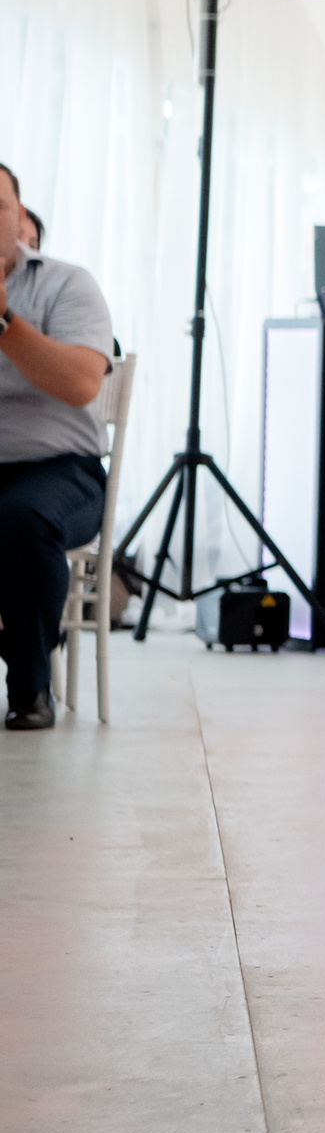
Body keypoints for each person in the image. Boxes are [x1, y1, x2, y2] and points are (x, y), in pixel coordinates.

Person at [0, 164, 114, 731]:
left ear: (19, 216)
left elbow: (80, 383)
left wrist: (4, 321)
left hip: (62, 472)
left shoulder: (67, 285)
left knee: (23, 519)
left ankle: (29, 688)